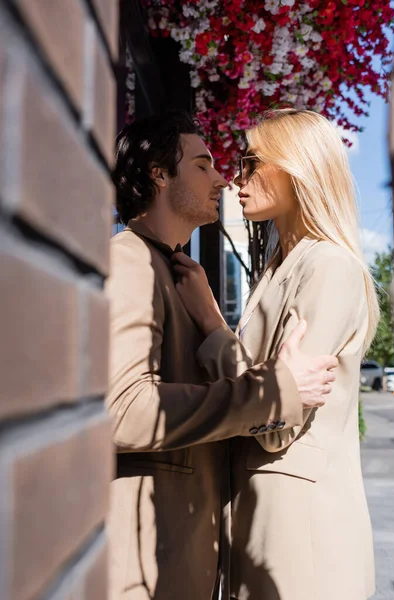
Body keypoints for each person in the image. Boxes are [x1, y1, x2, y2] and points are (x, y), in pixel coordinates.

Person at [105, 111, 338, 600]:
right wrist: (272, 392)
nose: (222, 178)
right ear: (159, 174)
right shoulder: (128, 259)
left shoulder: (178, 273)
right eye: (203, 164)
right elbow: (123, 410)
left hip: (183, 562)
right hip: (143, 570)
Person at [172, 108, 378, 600]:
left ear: (296, 166)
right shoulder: (284, 267)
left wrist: (210, 321)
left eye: (250, 163)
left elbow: (278, 420)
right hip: (266, 525)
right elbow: (269, 389)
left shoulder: (327, 266)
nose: (235, 179)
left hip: (301, 543)